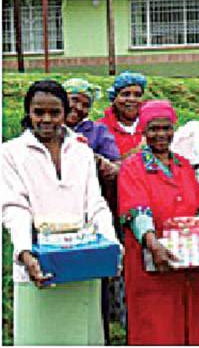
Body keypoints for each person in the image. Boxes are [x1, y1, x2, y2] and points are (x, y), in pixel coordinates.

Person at [2, 80, 119, 345]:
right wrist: (25, 252)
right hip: (38, 264)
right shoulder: (10, 153)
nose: (46, 119)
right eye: (38, 112)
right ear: (28, 112)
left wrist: (111, 245)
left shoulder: (81, 151)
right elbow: (14, 207)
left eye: (54, 113)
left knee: (82, 335)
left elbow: (96, 203)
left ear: (65, 113)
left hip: (84, 261)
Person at [117, 100, 199, 345]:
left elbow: (197, 207)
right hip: (150, 259)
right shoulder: (132, 167)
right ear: (143, 132)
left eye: (166, 128)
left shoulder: (184, 166)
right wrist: (152, 242)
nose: (161, 135)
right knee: (155, 323)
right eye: (154, 129)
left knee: (187, 318)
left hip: (187, 261)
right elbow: (137, 211)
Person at [63, 77, 121, 344]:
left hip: (92, 213)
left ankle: (98, 337)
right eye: (73, 100)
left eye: (85, 104)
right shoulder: (48, 128)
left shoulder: (97, 133)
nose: (78, 108)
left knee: (95, 282)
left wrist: (97, 161)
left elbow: (117, 168)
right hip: (58, 217)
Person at [98, 71, 147, 158]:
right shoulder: (100, 130)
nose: (132, 99)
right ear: (114, 98)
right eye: (125, 94)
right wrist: (139, 150)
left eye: (137, 95)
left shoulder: (150, 125)